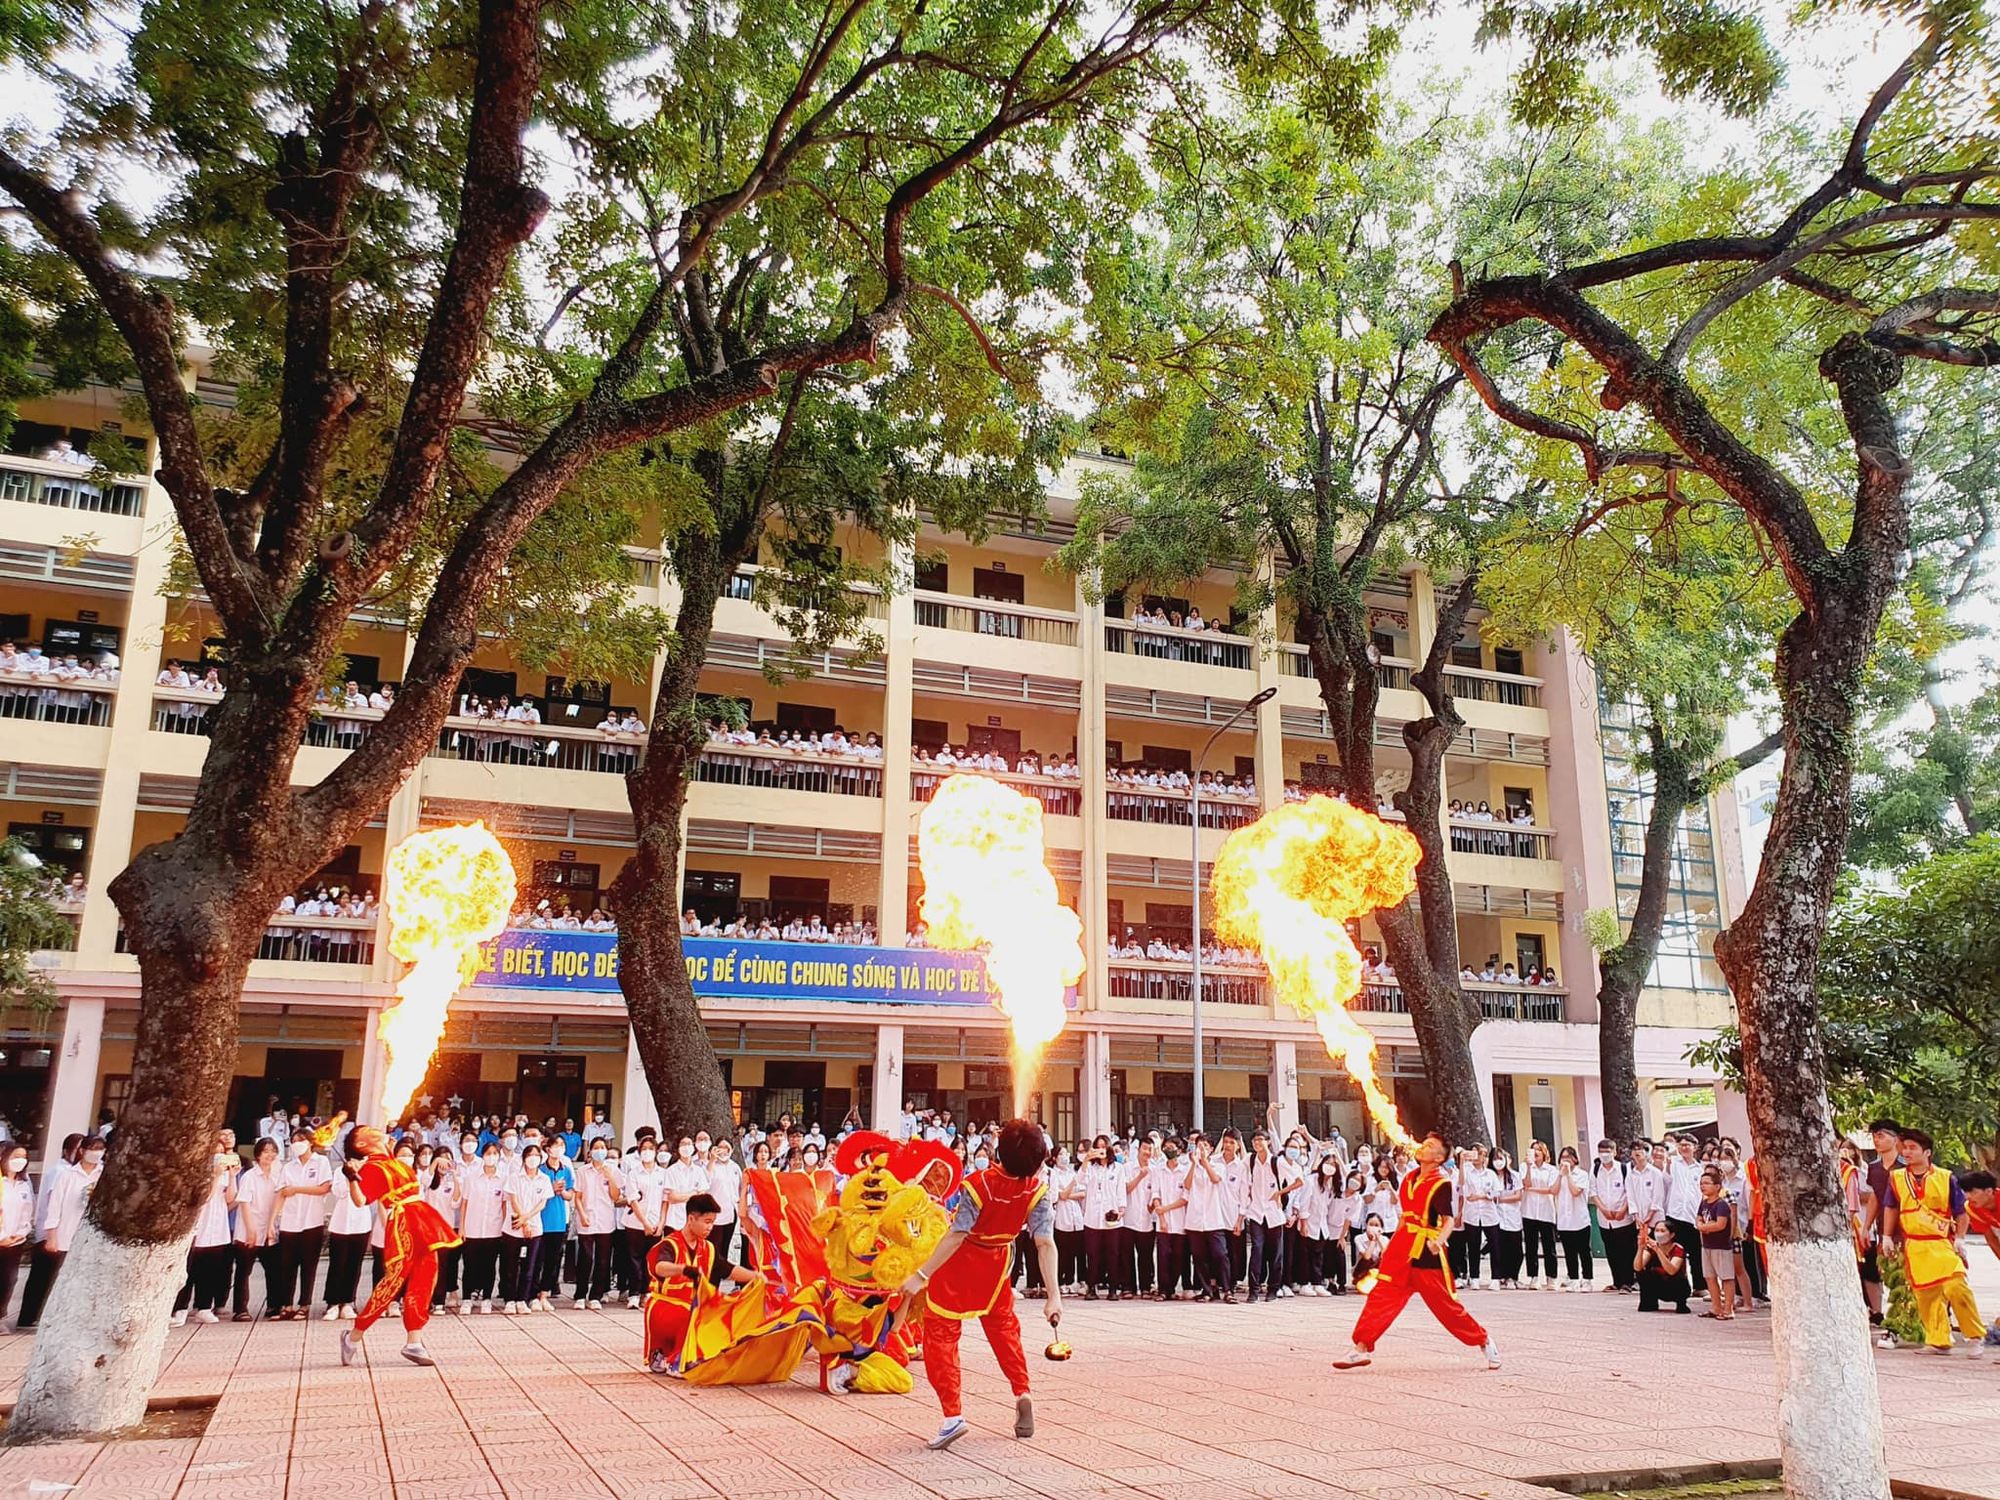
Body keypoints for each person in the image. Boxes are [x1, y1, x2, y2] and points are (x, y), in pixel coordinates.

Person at [900, 1118, 1061, 1451]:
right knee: (1005, 1331)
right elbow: (1045, 1243)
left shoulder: (978, 1184)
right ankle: (1022, 1391)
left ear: (998, 1150)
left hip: (960, 1267)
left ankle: (952, 1416)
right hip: (997, 1268)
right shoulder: (1036, 1190)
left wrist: (921, 1274)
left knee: (941, 1336)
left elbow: (957, 1234)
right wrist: (1053, 1297)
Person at [1334, 1133, 1498, 1371]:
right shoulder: (1409, 1177)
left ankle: (1483, 1340)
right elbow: (1404, 1216)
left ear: (1439, 1157)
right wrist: (1390, 1243)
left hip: (1425, 1250)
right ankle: (1361, 1348)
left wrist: (1438, 1242)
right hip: (1401, 1247)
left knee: (1446, 1307)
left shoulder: (1441, 1183)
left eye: (1430, 1146)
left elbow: (1449, 1220)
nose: (1423, 1146)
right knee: (1381, 1296)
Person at [338, 1126, 463, 1368]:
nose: (378, 1131)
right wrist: (352, 1177)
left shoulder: (397, 1162)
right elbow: (361, 1200)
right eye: (369, 1132)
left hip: (422, 1220)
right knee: (394, 1282)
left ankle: (414, 1340)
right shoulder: (372, 1167)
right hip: (404, 1223)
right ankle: (353, 1336)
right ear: (362, 1145)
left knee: (426, 1278)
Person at [1884, 1126, 1986, 1354]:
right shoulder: (1897, 1178)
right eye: (1905, 1148)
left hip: (1941, 1242)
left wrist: (1960, 1238)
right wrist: (1887, 1236)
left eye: (1912, 1148)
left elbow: (1960, 1211)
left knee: (1956, 1287)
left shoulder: (1945, 1177)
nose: (1907, 1152)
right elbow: (1891, 1207)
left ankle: (1975, 1336)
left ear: (1927, 1152)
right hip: (1915, 1244)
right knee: (1927, 1295)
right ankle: (1938, 1340)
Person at [17, 1135, 104, 1330]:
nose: (96, 1153)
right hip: (64, 1233)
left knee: (81, 1278)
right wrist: (51, 1234)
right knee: (52, 1278)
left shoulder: (103, 1174)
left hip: (89, 1236)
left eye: (100, 1149)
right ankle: (39, 1317)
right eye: (93, 1148)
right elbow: (53, 1206)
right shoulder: (65, 1174)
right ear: (82, 1150)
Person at [1694, 1168, 1739, 1320]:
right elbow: (1699, 1218)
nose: (1703, 1186)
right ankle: (1716, 1307)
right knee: (1710, 1277)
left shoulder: (1721, 1205)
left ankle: (1728, 1309)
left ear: (1717, 1186)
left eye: (1706, 1183)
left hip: (1721, 1246)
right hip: (1706, 1245)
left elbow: (1720, 1224)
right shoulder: (1704, 1203)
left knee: (1726, 1277)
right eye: (1701, 1183)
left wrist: (1704, 1227)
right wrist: (1703, 1226)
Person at [1591, 1139, 1636, 1293]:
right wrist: (1603, 1209)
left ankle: (1628, 1282)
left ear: (1614, 1152)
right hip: (1604, 1219)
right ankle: (1616, 1281)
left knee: (1626, 1251)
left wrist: (1623, 1209)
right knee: (1611, 1251)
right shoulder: (1596, 1169)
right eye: (1602, 1151)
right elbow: (1593, 1192)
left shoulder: (1624, 1169)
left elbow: (1630, 1192)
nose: (1605, 1155)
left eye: (1608, 1151)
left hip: (1623, 1218)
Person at [0, 1144, 36, 1321]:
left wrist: (22, 1232)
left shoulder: (23, 1185)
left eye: (23, 1157)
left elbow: (27, 1212)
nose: (19, 1161)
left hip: (14, 1242)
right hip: (1, 1239)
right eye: (15, 1156)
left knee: (8, 1280)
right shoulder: (2, 1183)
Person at [1553, 1146, 1594, 1290]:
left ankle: (1587, 1279)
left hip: (1580, 1219)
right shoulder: (1558, 1175)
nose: (1565, 1161)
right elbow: (1553, 1190)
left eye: (1568, 1157)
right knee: (1569, 1252)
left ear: (1575, 1159)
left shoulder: (1581, 1174)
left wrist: (1569, 1175)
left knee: (1584, 1251)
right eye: (1563, 1158)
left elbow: (1576, 1191)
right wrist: (1560, 1175)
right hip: (1564, 1220)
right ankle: (1573, 1278)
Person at [1519, 1140, 1558, 1288]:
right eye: (1533, 1150)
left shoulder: (1551, 1170)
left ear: (1544, 1153)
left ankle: (1551, 1277)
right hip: (1529, 1210)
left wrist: (1533, 1190)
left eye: (1538, 1150)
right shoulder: (1525, 1167)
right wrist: (1529, 1167)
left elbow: (1552, 1189)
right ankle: (1533, 1277)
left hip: (1546, 1211)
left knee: (1549, 1246)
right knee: (1531, 1246)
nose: (1535, 1153)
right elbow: (1526, 1184)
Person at [1635, 1222, 1691, 1313]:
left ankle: (1681, 1304)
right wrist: (1640, 1248)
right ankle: (1649, 1302)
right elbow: (1637, 1267)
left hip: (1676, 1286)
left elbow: (1672, 1271)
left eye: (1663, 1231)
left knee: (1676, 1278)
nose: (1659, 1233)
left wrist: (1658, 1250)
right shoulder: (1650, 1247)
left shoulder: (1678, 1249)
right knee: (1644, 1273)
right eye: (1657, 1230)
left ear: (1672, 1234)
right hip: (1658, 1285)